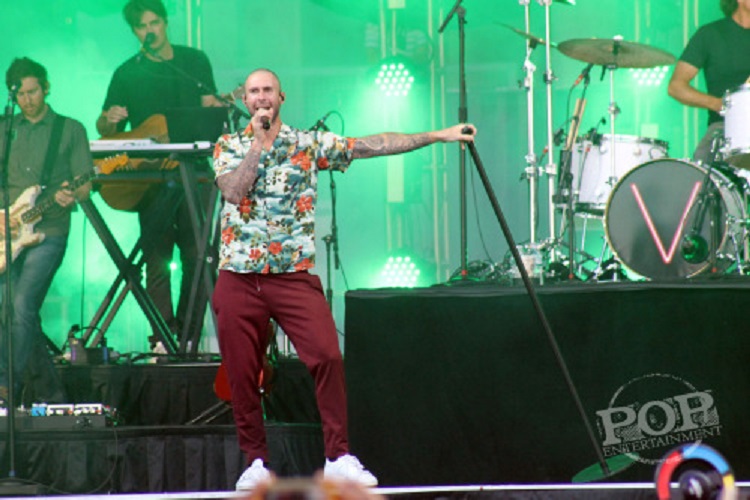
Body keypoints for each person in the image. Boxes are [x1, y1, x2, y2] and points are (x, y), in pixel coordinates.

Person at [212, 68, 476, 491]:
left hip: (292, 275)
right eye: (253, 91)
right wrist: (258, 146)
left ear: (281, 96)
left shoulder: (308, 143)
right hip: (239, 277)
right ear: (245, 101)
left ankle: (338, 457)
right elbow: (233, 192)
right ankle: (256, 461)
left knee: (328, 358)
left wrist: (438, 135)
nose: (261, 97)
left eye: (267, 90)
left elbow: (372, 144)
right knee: (243, 374)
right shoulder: (229, 145)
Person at [97, 0, 224, 349]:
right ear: (134, 31)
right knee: (157, 261)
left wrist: (215, 107)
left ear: (165, 23)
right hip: (151, 179)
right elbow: (106, 128)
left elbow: (209, 109)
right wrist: (109, 120)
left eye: (154, 23)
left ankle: (187, 336)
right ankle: (163, 339)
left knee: (199, 258)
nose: (149, 31)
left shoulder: (193, 61)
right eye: (141, 26)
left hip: (195, 173)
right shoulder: (127, 72)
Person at [0, 57, 93, 404]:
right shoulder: (5, 129)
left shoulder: (70, 129)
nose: (27, 100)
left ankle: (5, 385)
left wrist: (72, 195)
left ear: (46, 87)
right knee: (8, 310)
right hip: (7, 231)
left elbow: (85, 183)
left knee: (22, 303)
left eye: (33, 91)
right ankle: (53, 394)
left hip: (49, 230)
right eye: (20, 94)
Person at [667, 0, 750, 163]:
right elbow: (676, 87)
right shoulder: (710, 34)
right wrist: (720, 104)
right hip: (723, 128)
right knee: (703, 170)